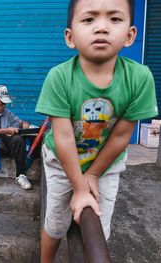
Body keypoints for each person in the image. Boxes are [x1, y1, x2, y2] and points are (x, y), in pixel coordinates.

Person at [35, 0, 159, 261]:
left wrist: (93, 173)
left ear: (129, 35)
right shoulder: (59, 77)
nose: (101, 27)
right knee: (56, 223)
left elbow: (122, 135)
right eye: (89, 19)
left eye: (114, 19)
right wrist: (79, 188)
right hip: (61, 160)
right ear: (70, 37)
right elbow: (64, 136)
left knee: (99, 225)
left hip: (107, 162)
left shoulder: (139, 77)